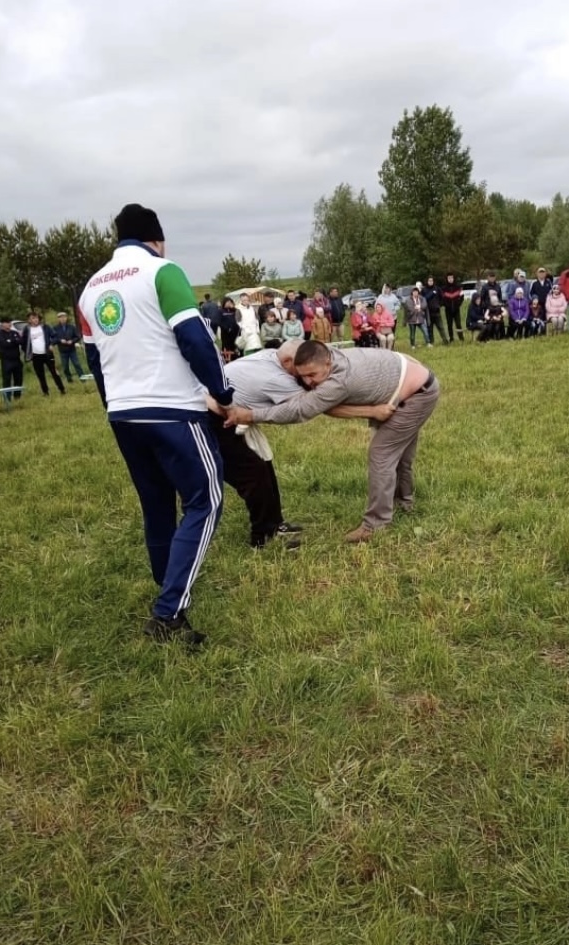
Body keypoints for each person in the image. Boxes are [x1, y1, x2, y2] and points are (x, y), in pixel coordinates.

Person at [77, 202, 234, 646]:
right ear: (156, 238)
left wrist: (115, 405)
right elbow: (194, 336)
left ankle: (169, 587)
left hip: (123, 413)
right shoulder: (162, 271)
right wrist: (221, 391)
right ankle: (168, 613)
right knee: (206, 500)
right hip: (171, 408)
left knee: (156, 505)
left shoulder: (91, 289)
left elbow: (95, 360)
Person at [216, 340, 439, 544]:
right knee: (400, 453)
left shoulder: (339, 381)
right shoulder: (331, 355)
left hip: (416, 396)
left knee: (381, 455)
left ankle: (375, 525)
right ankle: (404, 503)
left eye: (312, 375)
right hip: (418, 385)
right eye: (303, 376)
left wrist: (250, 415)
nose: (308, 382)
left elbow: (302, 409)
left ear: (327, 362)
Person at [208, 341, 303, 549]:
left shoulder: (271, 355)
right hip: (212, 417)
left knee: (264, 466)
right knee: (252, 474)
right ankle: (262, 537)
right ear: (288, 362)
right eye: (303, 368)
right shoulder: (278, 379)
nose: (305, 374)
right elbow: (306, 408)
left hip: (223, 411)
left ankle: (275, 524)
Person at [25, 311, 66, 396]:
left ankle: (62, 389)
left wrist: (51, 344)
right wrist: (28, 352)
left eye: (36, 318)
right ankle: (45, 392)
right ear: (29, 320)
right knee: (40, 375)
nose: (35, 320)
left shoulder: (45, 327)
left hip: (47, 354)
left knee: (54, 372)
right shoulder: (27, 330)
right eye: (33, 318)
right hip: (36, 355)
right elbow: (24, 342)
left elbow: (55, 337)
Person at [0, 317, 26, 401]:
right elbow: (4, 344)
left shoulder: (14, 332)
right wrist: (13, 341)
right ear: (2, 324)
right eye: (7, 322)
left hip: (16, 359)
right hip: (6, 361)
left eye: (10, 322)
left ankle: (17, 396)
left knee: (18, 379)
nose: (9, 324)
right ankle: (7, 398)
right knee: (7, 380)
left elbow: (21, 341)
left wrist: (11, 340)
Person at [50, 310, 86, 382]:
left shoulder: (71, 327)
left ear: (66, 318)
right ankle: (69, 379)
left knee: (76, 364)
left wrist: (72, 341)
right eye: (60, 317)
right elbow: (53, 339)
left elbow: (77, 337)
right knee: (65, 366)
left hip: (72, 349)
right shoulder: (55, 328)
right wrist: (60, 340)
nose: (62, 319)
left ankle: (83, 378)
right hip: (63, 350)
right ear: (58, 319)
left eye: (64, 317)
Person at [441, 273, 464, 342]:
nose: (450, 279)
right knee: (449, 325)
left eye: (451, 278)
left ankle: (461, 338)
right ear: (447, 279)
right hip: (448, 310)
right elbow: (442, 299)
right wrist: (446, 305)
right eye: (449, 278)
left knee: (458, 324)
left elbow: (462, 297)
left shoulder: (458, 287)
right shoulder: (444, 289)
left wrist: (458, 305)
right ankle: (451, 338)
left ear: (453, 278)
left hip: (456, 309)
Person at [422, 277, 444, 345]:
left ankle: (445, 340)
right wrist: (432, 293)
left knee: (441, 327)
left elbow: (442, 297)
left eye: (432, 280)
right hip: (428, 312)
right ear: (427, 281)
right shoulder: (424, 290)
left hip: (437, 311)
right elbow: (423, 299)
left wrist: (439, 305)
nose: (430, 282)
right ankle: (431, 341)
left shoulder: (437, 289)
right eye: (429, 280)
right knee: (430, 328)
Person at [218, 296, 240, 361]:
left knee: (234, 345)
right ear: (224, 303)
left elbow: (238, 317)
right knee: (226, 346)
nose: (229, 303)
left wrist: (233, 308)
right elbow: (219, 321)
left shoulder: (234, 310)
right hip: (225, 332)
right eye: (227, 302)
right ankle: (226, 359)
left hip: (234, 332)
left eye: (230, 302)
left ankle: (235, 358)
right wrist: (226, 328)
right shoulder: (220, 311)